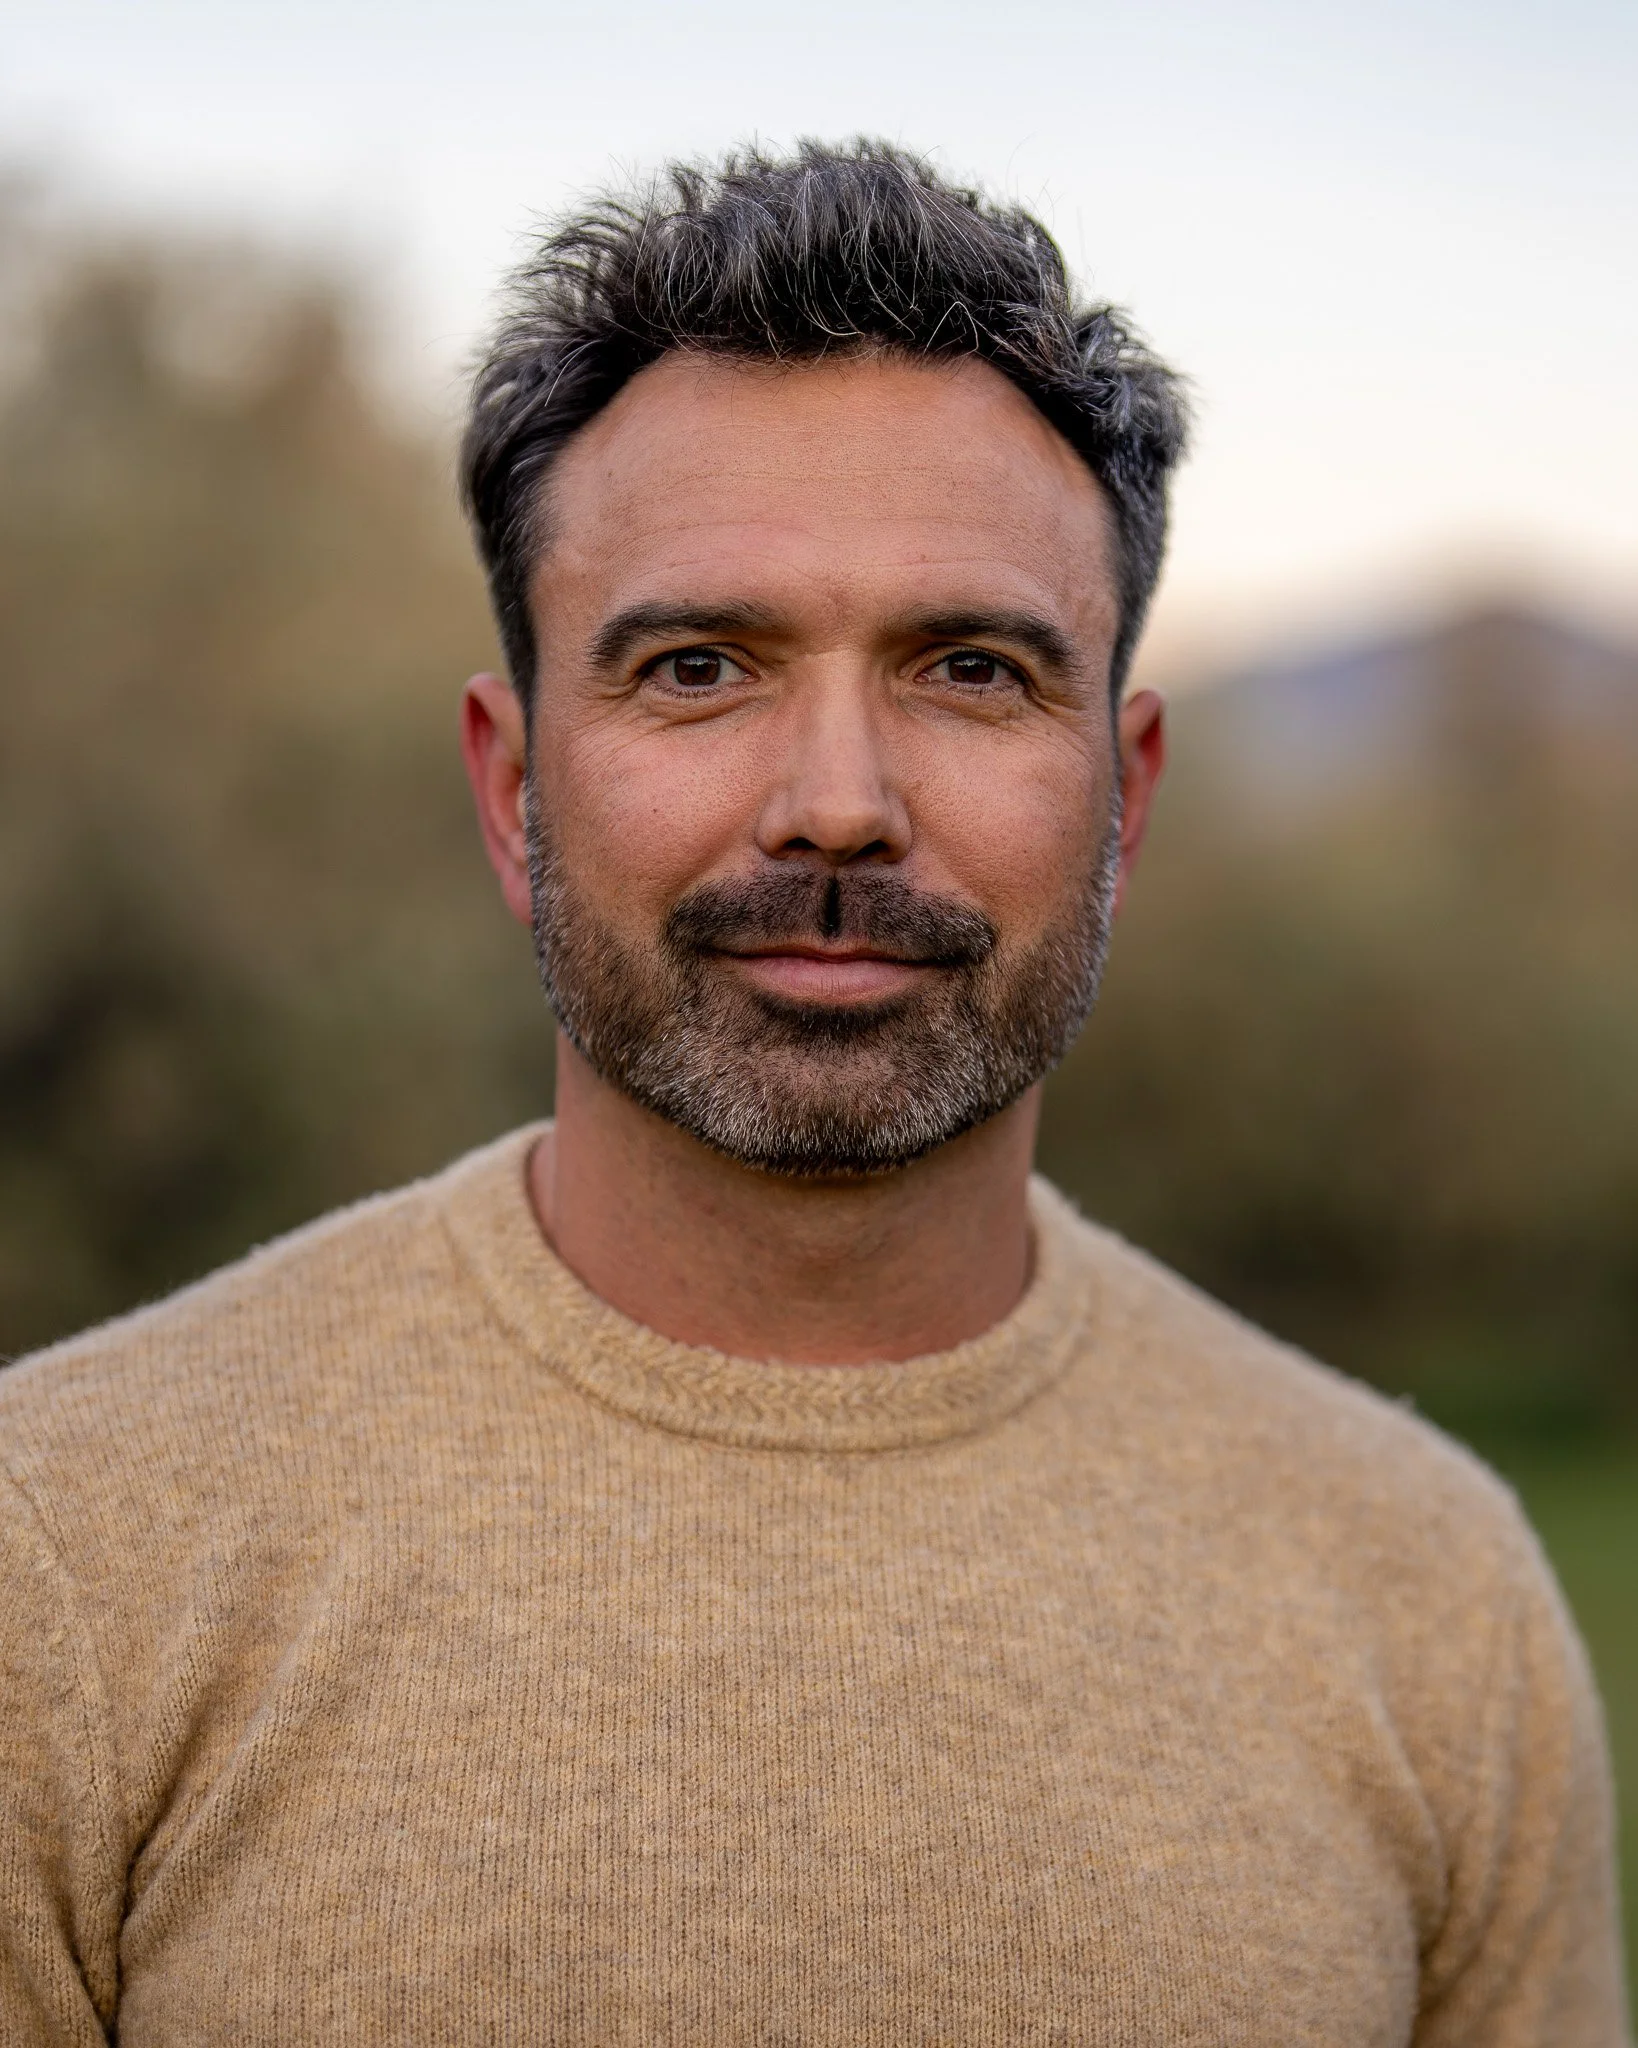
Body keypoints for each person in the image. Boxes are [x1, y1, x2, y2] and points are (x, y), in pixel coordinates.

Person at [0, 141, 1625, 2046]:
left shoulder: (1427, 1597)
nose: (838, 799)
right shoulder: (63, 1558)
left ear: (1130, 797)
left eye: (969, 669)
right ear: (515, 793)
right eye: (697, 666)